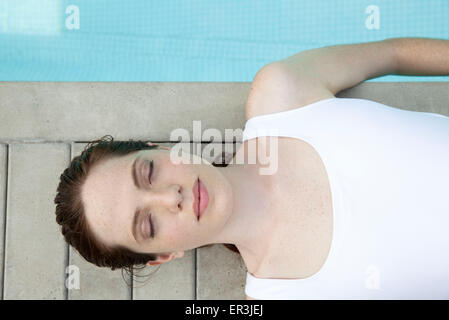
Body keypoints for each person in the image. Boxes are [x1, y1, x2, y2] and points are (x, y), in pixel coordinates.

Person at [54, 37, 449, 299]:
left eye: (149, 173)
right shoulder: (281, 293)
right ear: (163, 255)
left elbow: (392, 53)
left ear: (160, 148)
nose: (170, 196)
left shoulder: (281, 95)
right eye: (148, 224)